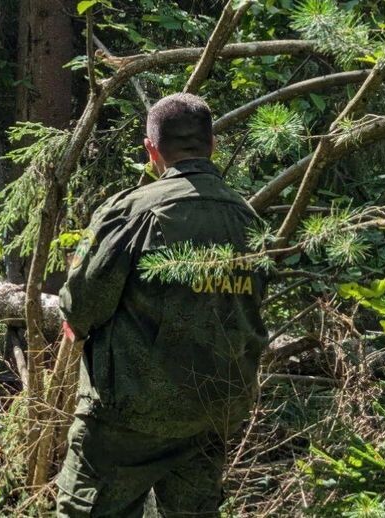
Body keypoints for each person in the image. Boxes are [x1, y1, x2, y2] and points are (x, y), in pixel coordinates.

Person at [55, 93, 268, 517]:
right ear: (212, 146)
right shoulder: (248, 219)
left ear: (152, 149)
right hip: (214, 410)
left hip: (129, 415)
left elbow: (82, 305)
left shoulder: (132, 212)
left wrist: (75, 322)